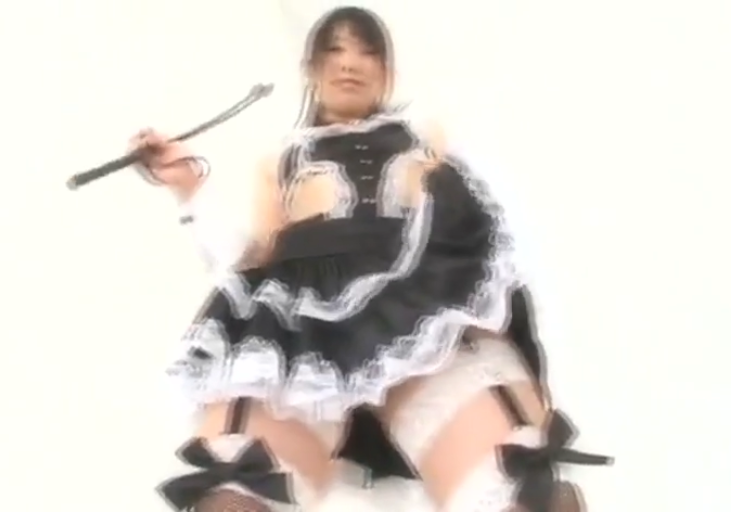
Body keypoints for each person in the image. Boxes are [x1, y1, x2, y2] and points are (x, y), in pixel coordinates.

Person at [131, 6, 612, 512]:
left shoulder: (428, 139)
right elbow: (245, 262)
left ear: (388, 70)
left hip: (422, 310)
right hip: (303, 334)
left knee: (521, 492)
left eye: (367, 51)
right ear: (311, 68)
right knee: (235, 497)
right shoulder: (282, 161)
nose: (349, 63)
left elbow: (491, 235)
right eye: (334, 50)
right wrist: (188, 188)